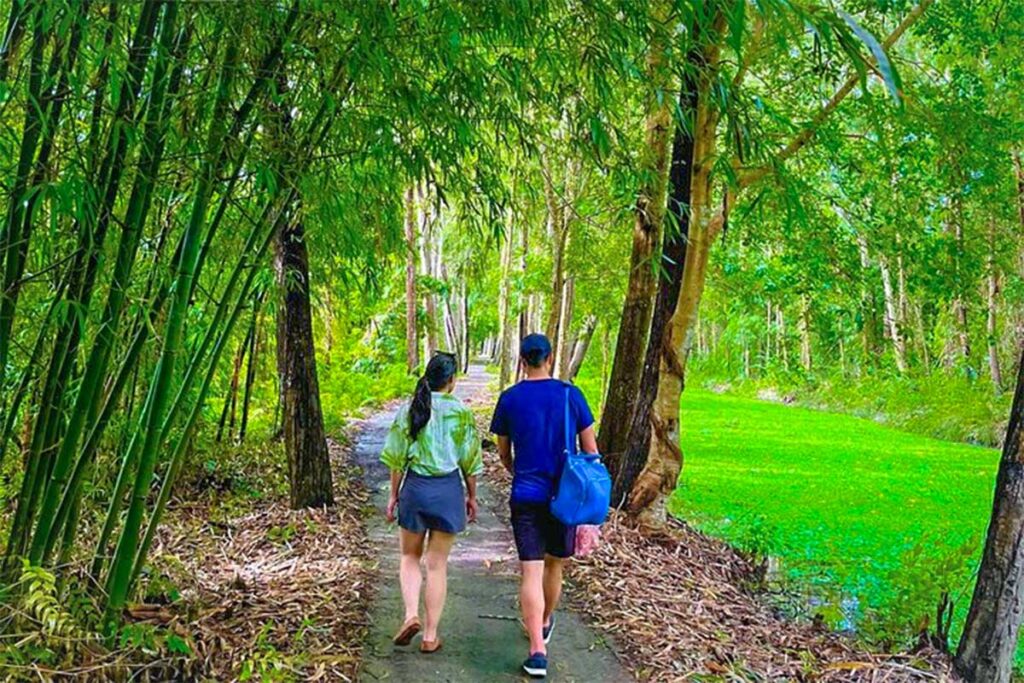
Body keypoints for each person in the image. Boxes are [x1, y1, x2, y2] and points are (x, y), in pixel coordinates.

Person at [490, 334, 598, 679]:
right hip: (563, 497)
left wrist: (517, 470)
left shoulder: (509, 399)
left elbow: (503, 452)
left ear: (523, 360)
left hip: (526, 494)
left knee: (531, 571)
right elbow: (590, 450)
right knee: (555, 566)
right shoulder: (571, 395)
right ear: (549, 358)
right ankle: (546, 620)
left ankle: (537, 650)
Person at [380, 352, 482, 654]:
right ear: (451, 381)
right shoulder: (461, 412)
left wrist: (393, 495)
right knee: (437, 565)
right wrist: (472, 496)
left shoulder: (410, 409)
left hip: (416, 490)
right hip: (448, 491)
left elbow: (396, 458)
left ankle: (411, 614)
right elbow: (470, 460)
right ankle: (430, 636)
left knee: (409, 557)